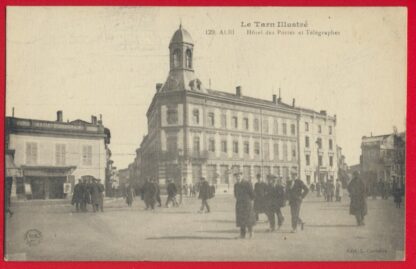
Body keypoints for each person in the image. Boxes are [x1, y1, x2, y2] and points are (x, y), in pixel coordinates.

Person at [234, 172, 255, 239]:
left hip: (246, 204)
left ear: (242, 176)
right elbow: (235, 194)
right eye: (236, 177)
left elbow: (252, 194)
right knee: (241, 219)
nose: (238, 178)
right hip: (239, 204)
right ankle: (242, 235)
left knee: (248, 219)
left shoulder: (247, 183)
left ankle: (251, 233)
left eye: (239, 176)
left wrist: (247, 200)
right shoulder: (236, 185)